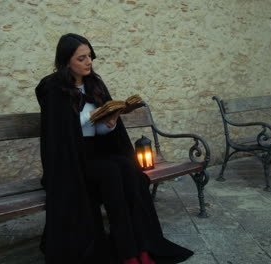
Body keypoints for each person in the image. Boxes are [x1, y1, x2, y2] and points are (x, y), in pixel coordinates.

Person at [35, 33, 194, 264]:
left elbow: (100, 133)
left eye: (90, 56)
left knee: (129, 170)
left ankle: (142, 248)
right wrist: (89, 117)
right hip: (70, 159)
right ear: (66, 60)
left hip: (96, 151)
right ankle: (127, 253)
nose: (88, 61)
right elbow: (59, 133)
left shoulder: (94, 83)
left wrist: (109, 124)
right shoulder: (53, 87)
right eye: (81, 58)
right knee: (111, 172)